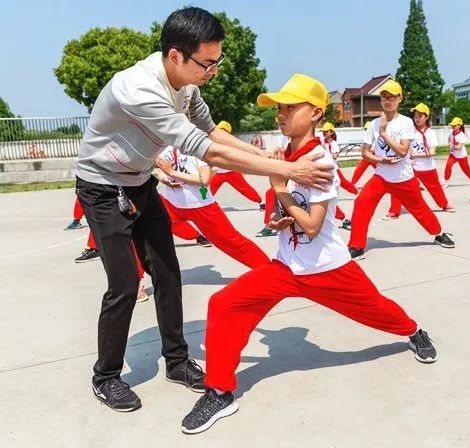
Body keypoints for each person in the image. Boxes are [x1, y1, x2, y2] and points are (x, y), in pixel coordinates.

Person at [74, 7, 332, 413]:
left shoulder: (188, 87)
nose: (213, 71)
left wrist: (265, 154)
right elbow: (205, 149)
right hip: (103, 187)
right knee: (125, 284)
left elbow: (213, 131)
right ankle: (105, 376)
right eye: (207, 63)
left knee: (168, 271)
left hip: (140, 183)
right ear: (176, 55)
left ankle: (177, 362)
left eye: (218, 61)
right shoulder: (139, 89)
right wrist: (284, 167)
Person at [180, 74, 437, 435]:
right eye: (279, 108)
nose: (280, 115)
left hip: (328, 268)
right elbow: (284, 210)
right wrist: (277, 216)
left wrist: (279, 189)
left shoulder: (320, 161)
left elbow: (314, 225)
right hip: (286, 267)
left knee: (378, 310)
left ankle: (414, 331)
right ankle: (220, 391)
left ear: (316, 113)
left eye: (289, 107)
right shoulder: (284, 155)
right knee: (224, 305)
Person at [347, 80, 455, 260]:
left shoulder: (405, 123)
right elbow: (365, 153)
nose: (387, 100)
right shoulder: (373, 124)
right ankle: (356, 246)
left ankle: (438, 233)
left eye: (392, 97)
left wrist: (383, 134)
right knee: (361, 203)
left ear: (400, 99)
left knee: (419, 208)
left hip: (403, 178)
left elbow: (403, 151)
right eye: (384, 97)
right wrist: (381, 159)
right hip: (381, 176)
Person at [156, 145, 270, 269]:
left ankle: (266, 268)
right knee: (152, 224)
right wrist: (165, 180)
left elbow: (204, 180)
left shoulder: (201, 148)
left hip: (200, 206)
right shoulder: (169, 147)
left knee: (231, 241)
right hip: (172, 203)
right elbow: (162, 171)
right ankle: (197, 236)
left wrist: (173, 173)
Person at [386, 103, 455, 219]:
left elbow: (432, 152)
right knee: (398, 186)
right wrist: (408, 157)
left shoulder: (430, 133)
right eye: (416, 116)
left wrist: (415, 155)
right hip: (411, 167)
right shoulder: (410, 131)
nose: (417, 119)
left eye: (420, 116)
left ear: (426, 117)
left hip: (427, 167)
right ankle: (394, 211)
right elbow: (404, 147)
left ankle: (444, 204)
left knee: (435, 188)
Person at [208, 120, 265, 209]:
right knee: (209, 188)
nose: (219, 132)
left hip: (232, 172)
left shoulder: (231, 143)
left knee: (244, 188)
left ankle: (260, 202)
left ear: (227, 132)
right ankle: (203, 204)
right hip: (220, 173)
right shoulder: (214, 142)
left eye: (222, 130)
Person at [320, 122, 357, 229]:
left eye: (326, 131)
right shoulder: (323, 141)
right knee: (327, 199)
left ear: (331, 132)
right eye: (323, 131)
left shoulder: (334, 144)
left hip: (332, 172)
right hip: (327, 172)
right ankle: (342, 218)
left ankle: (355, 193)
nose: (324, 133)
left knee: (328, 198)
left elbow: (334, 157)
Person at [443, 117, 470, 187]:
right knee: (448, 165)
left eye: (454, 125)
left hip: (461, 156)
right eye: (452, 125)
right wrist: (449, 144)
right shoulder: (451, 134)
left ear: (459, 126)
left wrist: (453, 146)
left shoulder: (461, 135)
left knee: (466, 169)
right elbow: (449, 139)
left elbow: (459, 148)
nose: (452, 126)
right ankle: (446, 182)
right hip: (453, 155)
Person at [350, 121, 377, 186]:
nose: (366, 131)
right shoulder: (366, 135)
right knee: (359, 170)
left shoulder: (375, 135)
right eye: (365, 129)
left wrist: (371, 150)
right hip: (368, 157)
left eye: (367, 129)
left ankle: (388, 183)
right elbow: (363, 146)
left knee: (381, 171)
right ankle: (352, 184)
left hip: (373, 156)